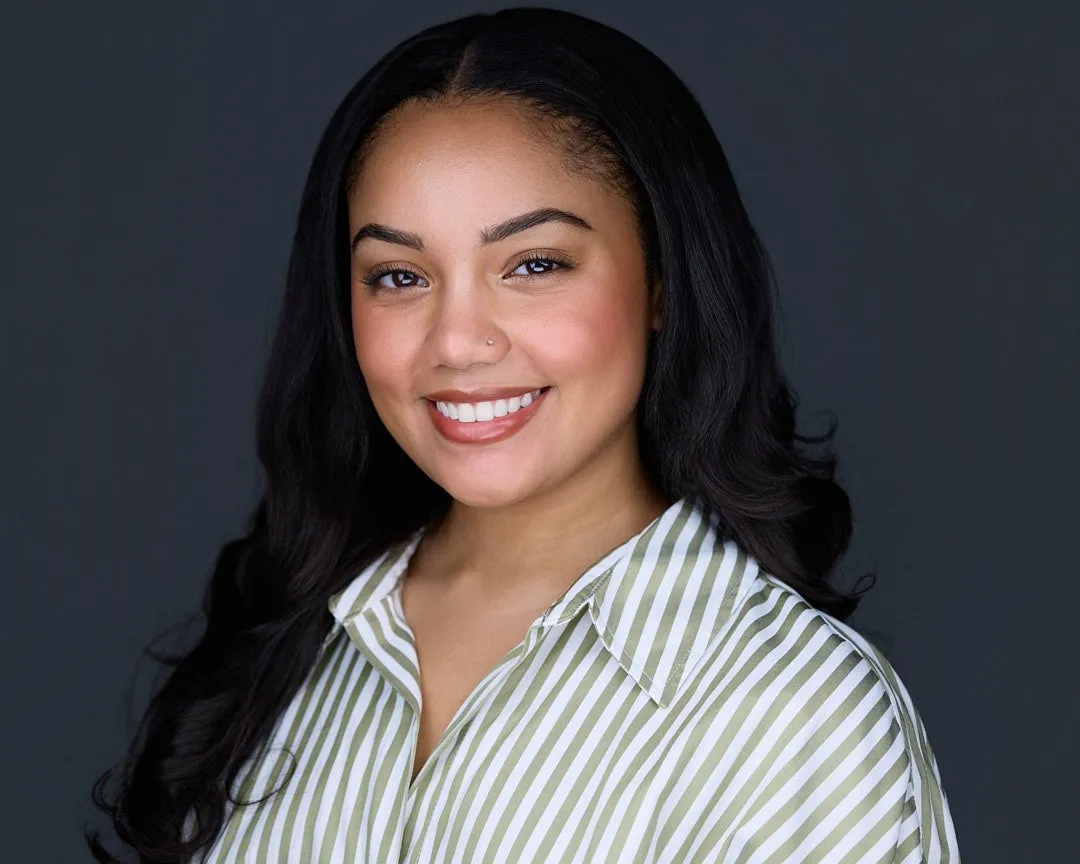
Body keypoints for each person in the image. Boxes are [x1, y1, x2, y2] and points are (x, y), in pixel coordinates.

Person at [89, 7, 959, 863]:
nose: (459, 341)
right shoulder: (287, 645)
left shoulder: (797, 720)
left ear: (662, 281)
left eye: (534, 264)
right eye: (397, 275)